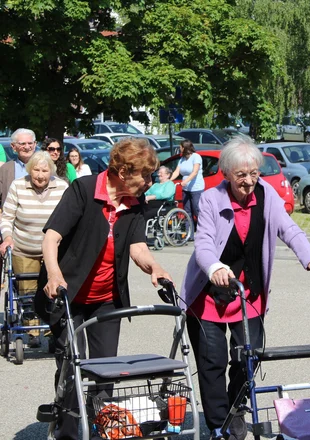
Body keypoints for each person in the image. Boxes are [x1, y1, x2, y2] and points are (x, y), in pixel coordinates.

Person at [179, 136, 310, 440]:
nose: (248, 181)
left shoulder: (267, 195)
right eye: (241, 176)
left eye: (253, 174)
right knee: (213, 363)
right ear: (226, 174)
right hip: (209, 296)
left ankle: (236, 407)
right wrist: (215, 268)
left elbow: (290, 229)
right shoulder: (211, 199)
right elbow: (205, 244)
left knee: (249, 355)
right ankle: (219, 425)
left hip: (249, 294)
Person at [34, 137, 172, 440]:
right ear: (122, 172)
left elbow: (138, 248)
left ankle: (98, 428)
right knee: (72, 364)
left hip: (106, 299)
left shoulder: (135, 204)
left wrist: (155, 267)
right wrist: (54, 275)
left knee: (105, 368)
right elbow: (51, 237)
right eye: (144, 175)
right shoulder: (83, 190)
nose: (150, 182)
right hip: (67, 295)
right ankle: (68, 430)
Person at [0, 152, 68, 345]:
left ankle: (51, 329)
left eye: (45, 170)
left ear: (51, 171)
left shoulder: (62, 187)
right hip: (24, 248)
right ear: (30, 170)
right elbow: (7, 218)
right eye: (36, 170)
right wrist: (7, 238)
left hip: (53, 250)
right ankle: (32, 331)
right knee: (27, 292)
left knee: (52, 290)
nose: (40, 174)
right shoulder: (18, 185)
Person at [0, 128, 37, 209]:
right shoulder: (5, 169)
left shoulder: (46, 166)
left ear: (35, 145)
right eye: (22, 144)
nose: (27, 147)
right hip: (11, 218)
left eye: (30, 143)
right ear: (13, 146)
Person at [170, 139, 203, 225]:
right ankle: (189, 234)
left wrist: (186, 181)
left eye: (180, 147)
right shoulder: (182, 159)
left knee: (197, 210)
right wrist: (168, 180)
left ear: (185, 148)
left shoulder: (196, 157)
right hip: (186, 189)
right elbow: (177, 172)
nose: (179, 149)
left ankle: (204, 229)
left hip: (196, 188)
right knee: (187, 211)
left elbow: (195, 172)